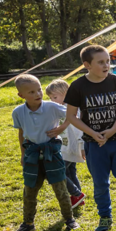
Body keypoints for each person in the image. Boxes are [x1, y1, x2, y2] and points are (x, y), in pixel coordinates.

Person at [65, 45, 116, 231]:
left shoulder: (115, 81)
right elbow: (71, 116)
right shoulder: (77, 86)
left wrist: (111, 131)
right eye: (100, 62)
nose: (106, 65)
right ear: (87, 65)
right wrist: (93, 134)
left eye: (108, 61)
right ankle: (105, 218)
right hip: (95, 145)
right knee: (100, 184)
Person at [10, 75, 79, 231]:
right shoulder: (18, 112)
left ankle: (69, 219)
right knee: (30, 190)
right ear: (21, 95)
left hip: (52, 154)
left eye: (39, 89)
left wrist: (61, 128)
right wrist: (23, 154)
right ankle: (28, 223)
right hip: (32, 154)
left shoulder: (52, 107)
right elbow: (21, 133)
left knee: (60, 188)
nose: (37, 94)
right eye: (32, 92)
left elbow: (73, 113)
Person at [44, 79, 86, 210]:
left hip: (71, 147)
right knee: (70, 172)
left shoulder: (73, 109)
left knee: (57, 172)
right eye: (50, 98)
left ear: (66, 93)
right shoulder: (58, 108)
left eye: (55, 97)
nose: (52, 100)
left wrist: (83, 146)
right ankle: (77, 198)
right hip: (65, 148)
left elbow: (81, 129)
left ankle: (77, 194)